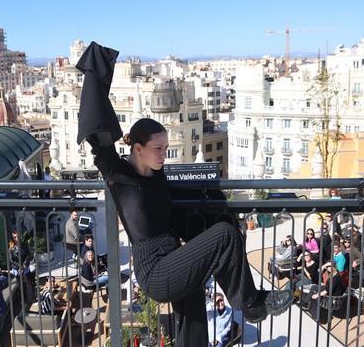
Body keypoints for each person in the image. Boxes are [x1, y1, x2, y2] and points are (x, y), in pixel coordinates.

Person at [77, 41, 291, 347]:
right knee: (224, 236)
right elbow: (98, 132)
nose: (164, 154)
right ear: (137, 149)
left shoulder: (158, 176)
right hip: (154, 271)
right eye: (158, 149)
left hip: (173, 258)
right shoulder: (119, 175)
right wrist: (97, 70)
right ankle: (253, 304)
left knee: (193, 314)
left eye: (166, 147)